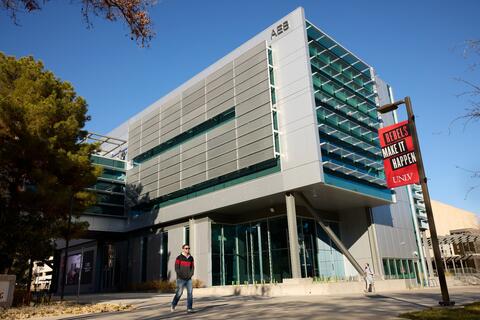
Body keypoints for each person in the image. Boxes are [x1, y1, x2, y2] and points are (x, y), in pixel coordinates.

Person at [171, 244, 195, 312]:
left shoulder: (191, 258)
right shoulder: (179, 257)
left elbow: (192, 268)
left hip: (189, 279)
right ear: (183, 249)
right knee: (179, 293)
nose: (187, 249)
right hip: (180, 279)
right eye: (186, 248)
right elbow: (176, 268)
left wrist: (190, 275)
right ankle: (173, 304)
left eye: (188, 248)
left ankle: (189, 308)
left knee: (190, 293)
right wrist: (181, 276)